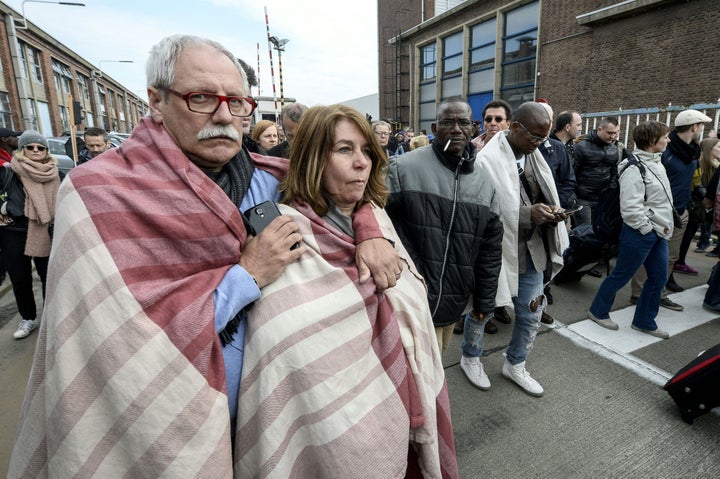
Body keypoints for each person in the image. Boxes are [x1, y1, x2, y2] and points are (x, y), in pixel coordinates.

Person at [9, 34, 398, 477]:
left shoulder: (269, 177)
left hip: (271, 410)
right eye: (201, 98)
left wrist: (369, 232)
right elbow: (119, 346)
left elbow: (345, 188)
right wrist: (246, 275)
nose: (223, 115)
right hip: (167, 427)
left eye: (236, 102)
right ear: (156, 101)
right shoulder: (96, 193)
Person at [236, 104, 458, 478]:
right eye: (344, 150)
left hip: (403, 409)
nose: (362, 163)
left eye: (366, 150)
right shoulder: (278, 234)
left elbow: (409, 303)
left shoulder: (376, 217)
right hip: (329, 432)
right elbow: (278, 345)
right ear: (311, 158)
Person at [386, 96, 503, 391]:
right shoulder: (402, 168)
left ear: (472, 127)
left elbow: (490, 248)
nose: (456, 129)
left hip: (453, 301)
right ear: (435, 128)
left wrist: (485, 301)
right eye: (448, 122)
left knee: (431, 376)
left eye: (463, 122)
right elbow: (378, 228)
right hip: (407, 299)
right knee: (403, 381)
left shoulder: (485, 183)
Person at [476, 101, 569, 397]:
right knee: (481, 311)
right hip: (495, 252)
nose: (540, 144)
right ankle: (469, 356)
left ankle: (515, 363)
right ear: (515, 127)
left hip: (531, 249)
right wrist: (530, 214)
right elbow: (485, 210)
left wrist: (552, 210)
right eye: (535, 137)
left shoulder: (534, 155)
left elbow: (546, 191)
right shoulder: (486, 159)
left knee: (531, 313)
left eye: (544, 138)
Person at [588, 121, 674, 339]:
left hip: (658, 232)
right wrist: (647, 229)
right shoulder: (634, 167)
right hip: (641, 232)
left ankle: (644, 321)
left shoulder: (657, 162)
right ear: (652, 140)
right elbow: (631, 208)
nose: (668, 140)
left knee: (658, 278)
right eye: (665, 136)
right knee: (621, 275)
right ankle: (598, 311)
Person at [629, 109, 711, 309]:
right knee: (647, 254)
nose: (702, 129)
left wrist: (697, 192)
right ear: (694, 126)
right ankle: (639, 294)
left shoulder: (694, 152)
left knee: (670, 256)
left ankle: (658, 292)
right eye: (701, 125)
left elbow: (692, 178)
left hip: (681, 211)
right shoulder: (664, 150)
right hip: (658, 212)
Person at [0, 130, 60, 340]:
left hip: (45, 229)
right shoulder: (9, 171)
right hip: (13, 232)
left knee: (49, 277)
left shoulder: (54, 172)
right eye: (30, 147)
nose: (35, 150)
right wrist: (4, 208)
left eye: (40, 147)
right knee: (20, 278)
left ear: (46, 151)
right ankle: (28, 318)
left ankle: (50, 317)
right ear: (22, 149)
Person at [536, 101, 577, 325]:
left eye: (546, 117)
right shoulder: (514, 146)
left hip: (548, 219)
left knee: (546, 261)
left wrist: (555, 206)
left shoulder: (557, 148)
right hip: (519, 218)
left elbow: (568, 180)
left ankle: (540, 300)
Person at [572, 116, 629, 276]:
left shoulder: (614, 149)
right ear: (599, 130)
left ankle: (587, 264)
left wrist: (610, 189)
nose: (613, 136)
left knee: (598, 234)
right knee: (584, 234)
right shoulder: (581, 147)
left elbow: (613, 172)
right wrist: (574, 195)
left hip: (602, 199)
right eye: (610, 133)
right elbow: (572, 173)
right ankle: (573, 265)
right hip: (583, 198)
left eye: (616, 133)